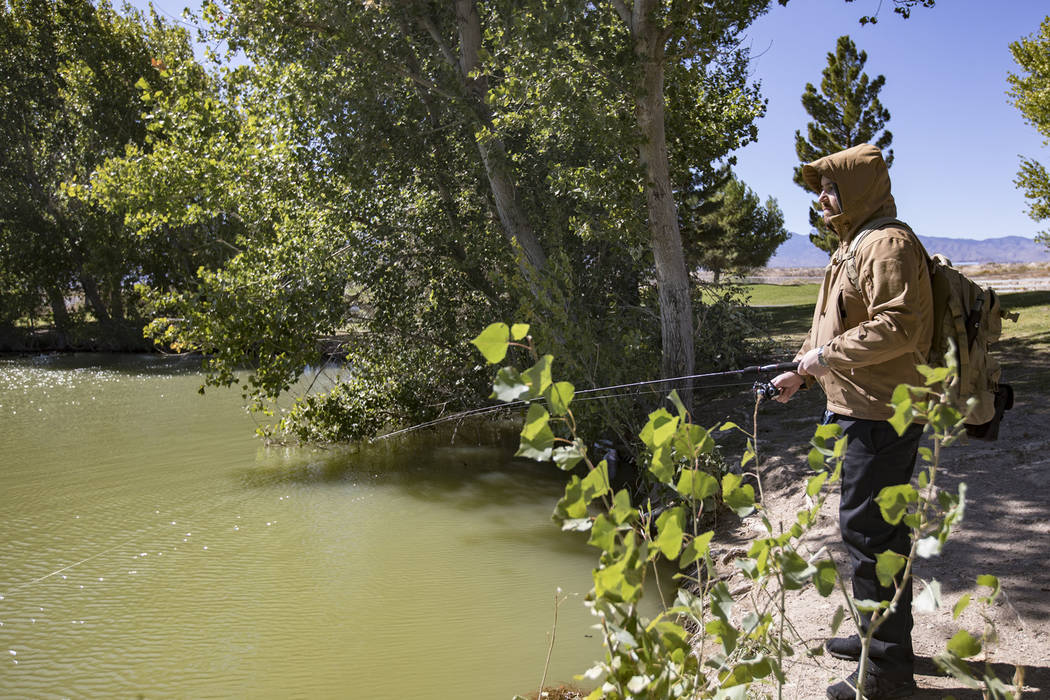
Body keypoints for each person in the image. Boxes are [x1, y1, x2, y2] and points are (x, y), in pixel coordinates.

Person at [771, 143, 932, 700]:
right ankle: (876, 637)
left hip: (884, 414)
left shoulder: (887, 243)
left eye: (831, 187)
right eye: (820, 188)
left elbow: (900, 327)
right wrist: (803, 372)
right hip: (855, 408)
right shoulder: (851, 244)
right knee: (867, 530)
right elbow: (832, 329)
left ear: (857, 190)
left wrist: (826, 359)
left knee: (871, 534)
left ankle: (886, 672)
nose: (821, 197)